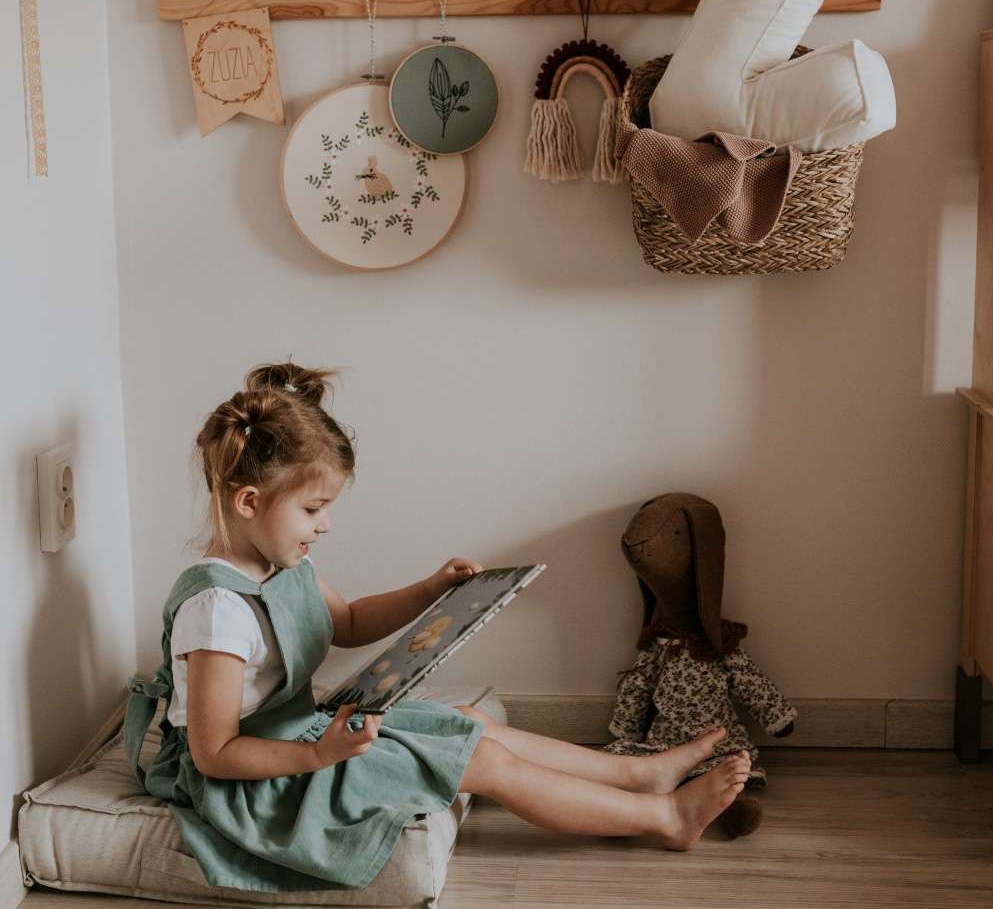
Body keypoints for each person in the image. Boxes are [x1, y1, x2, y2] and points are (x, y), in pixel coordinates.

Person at [122, 361, 752, 894]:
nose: (325, 526)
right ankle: (664, 817)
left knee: (471, 724)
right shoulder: (217, 610)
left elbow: (347, 622)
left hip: (302, 733)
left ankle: (638, 774)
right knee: (480, 760)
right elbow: (216, 753)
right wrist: (319, 754)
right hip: (255, 781)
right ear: (249, 502)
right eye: (313, 509)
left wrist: (432, 592)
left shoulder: (285, 563)